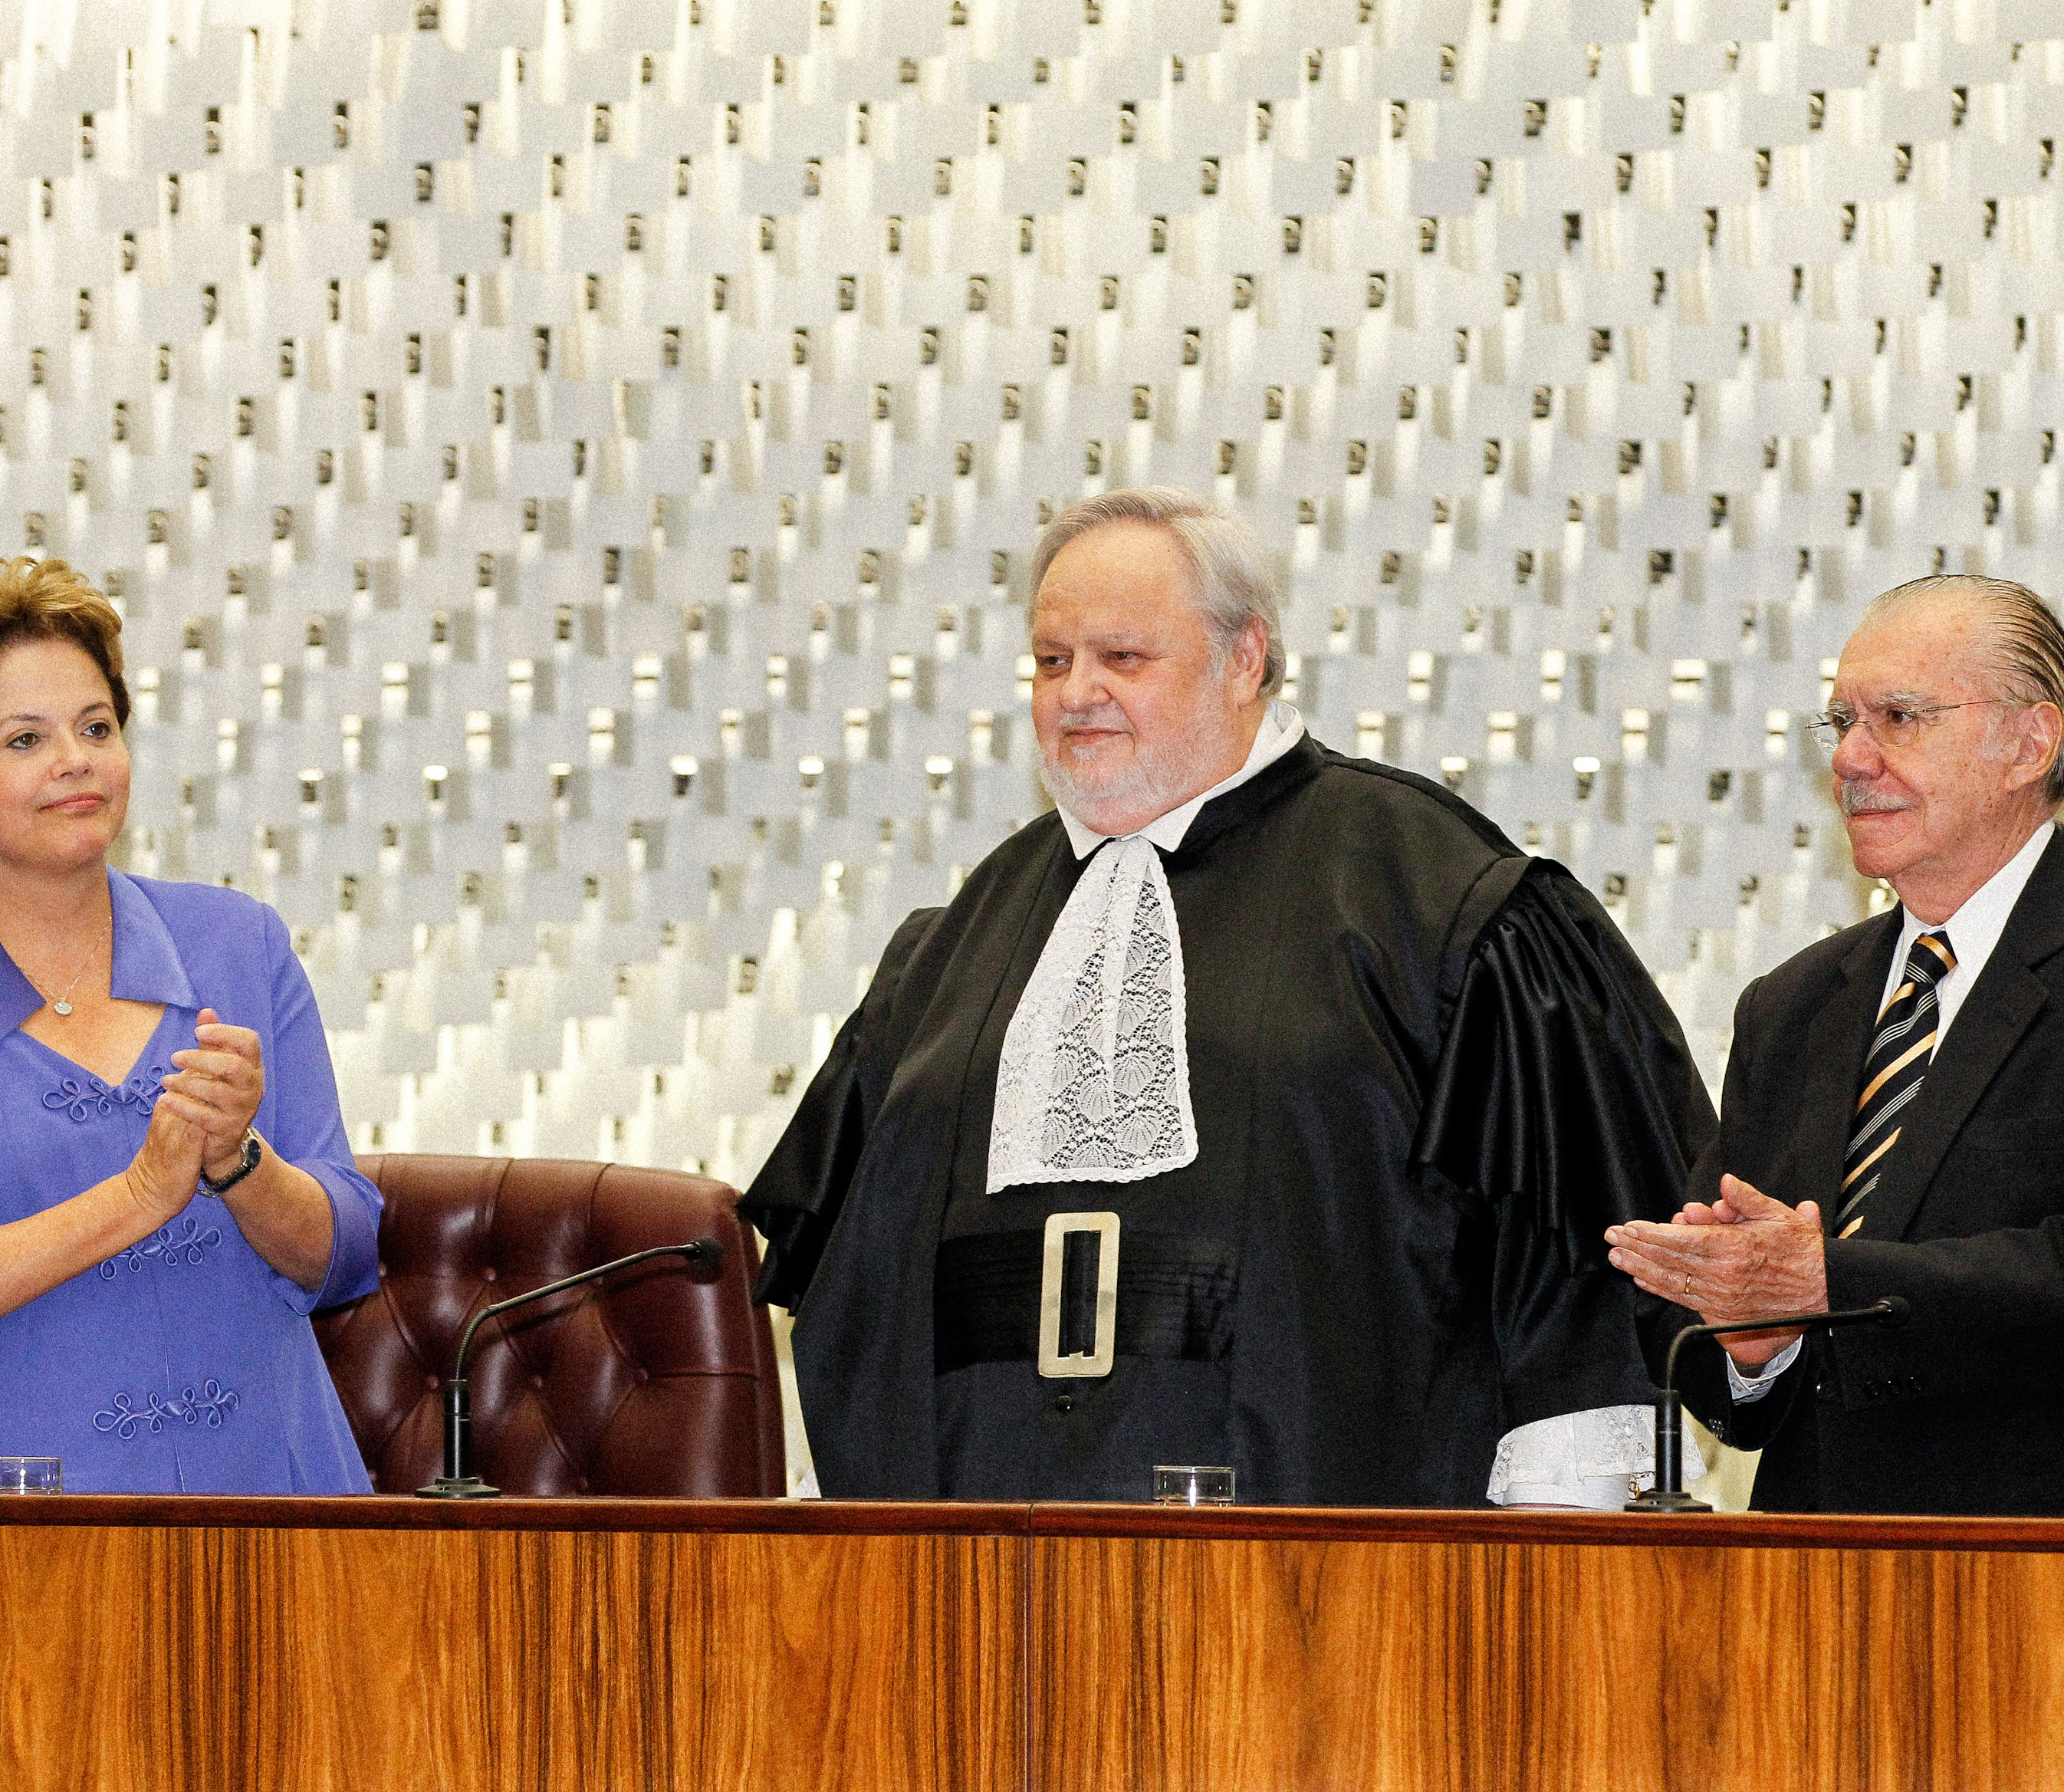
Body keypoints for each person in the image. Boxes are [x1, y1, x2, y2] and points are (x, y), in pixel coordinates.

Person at [741, 488, 1717, 1506]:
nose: (1076, 693)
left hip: (1330, 1554)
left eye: (1122, 657)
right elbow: (860, 1290)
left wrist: (1555, 1549)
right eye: (1051, 660)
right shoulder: (962, 937)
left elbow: (1569, 1277)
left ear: (1244, 658)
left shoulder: (1431, 895)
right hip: (985, 1563)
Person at [0, 557, 380, 1493]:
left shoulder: (239, 944)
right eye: (25, 739)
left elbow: (346, 1255)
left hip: (262, 1494)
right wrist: (139, 1194)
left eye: (96, 727)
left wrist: (240, 1161)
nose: (74, 758)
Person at [1609, 575, 2064, 1514]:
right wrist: (1750, 1343)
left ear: (2028, 745)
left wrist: (1826, 1281)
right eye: (1841, 722)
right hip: (1814, 1575)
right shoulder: (1792, 1007)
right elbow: (1718, 1366)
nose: (1851, 758)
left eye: (1898, 718)